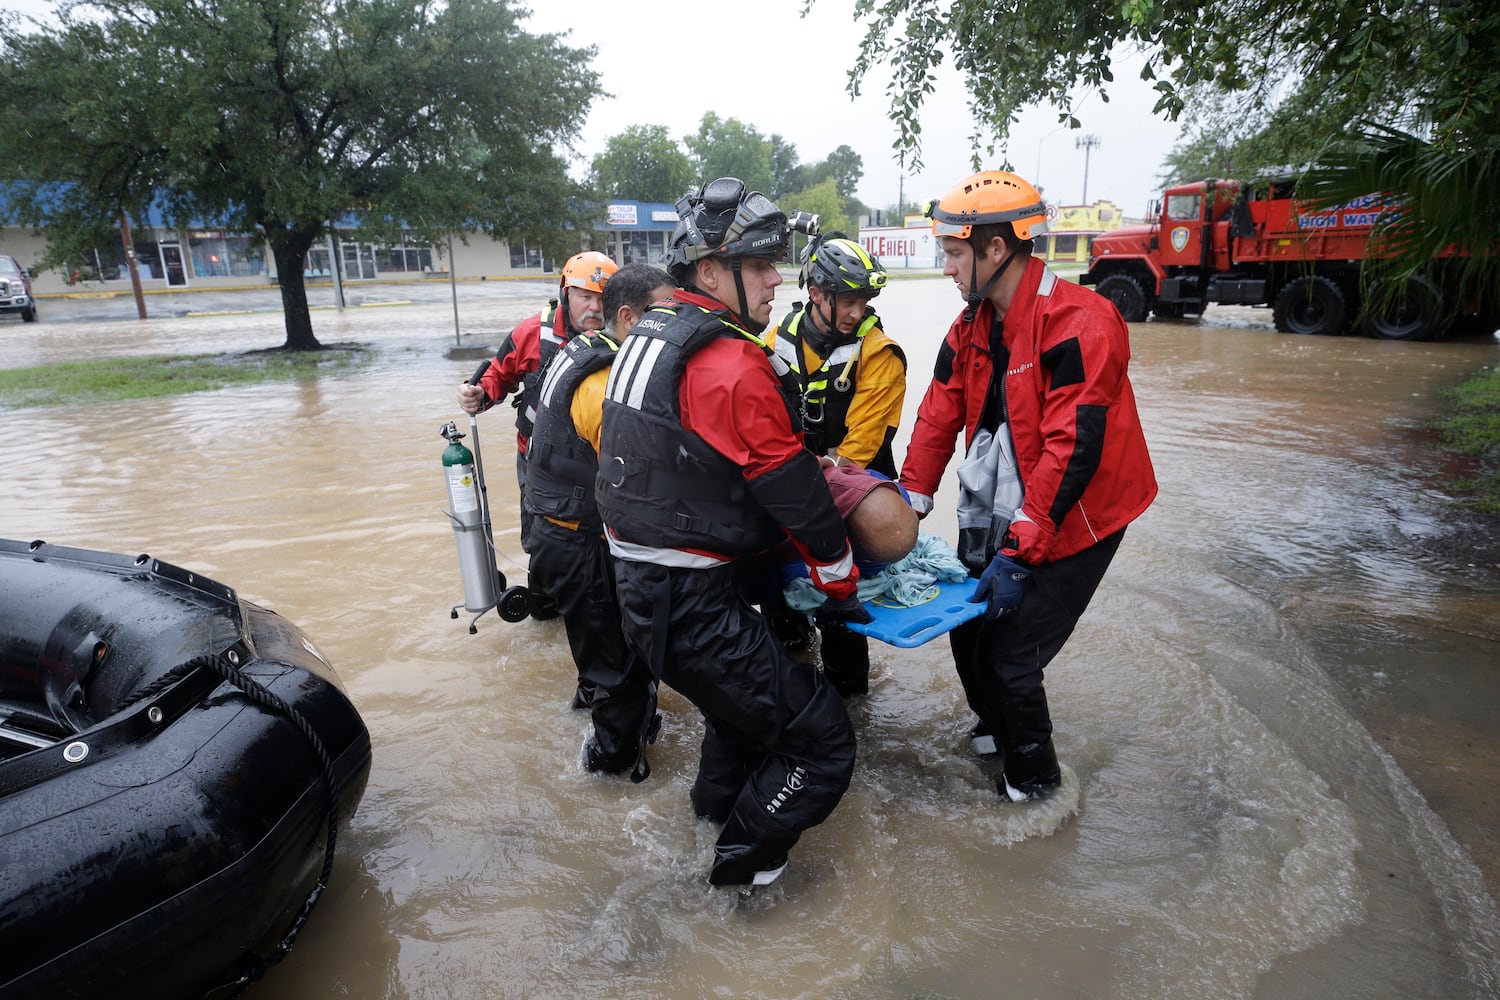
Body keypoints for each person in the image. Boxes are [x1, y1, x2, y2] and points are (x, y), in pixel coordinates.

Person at [596, 177, 867, 887]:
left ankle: (710, 823)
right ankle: (738, 878)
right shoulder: (728, 362)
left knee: (739, 719)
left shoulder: (647, 336)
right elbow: (792, 486)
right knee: (824, 742)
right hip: (693, 607)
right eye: (758, 265)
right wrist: (838, 575)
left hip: (641, 596)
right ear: (710, 272)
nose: (778, 277)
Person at [900, 170, 1158, 803]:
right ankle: (997, 733)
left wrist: (1024, 545)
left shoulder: (1083, 322)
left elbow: (1074, 446)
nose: (947, 269)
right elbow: (938, 413)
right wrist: (906, 503)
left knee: (1010, 655)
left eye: (955, 254)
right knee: (967, 626)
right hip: (1004, 505)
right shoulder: (968, 328)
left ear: (997, 248)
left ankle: (1038, 789)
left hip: (1082, 514)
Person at [524, 264, 675, 777]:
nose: (674, 323)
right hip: (576, 542)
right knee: (618, 669)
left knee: (604, 656)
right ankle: (609, 770)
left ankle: (604, 727)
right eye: (664, 313)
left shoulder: (584, 349)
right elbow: (637, 472)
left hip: (564, 532)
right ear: (628, 318)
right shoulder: (602, 381)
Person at [766, 236, 907, 695]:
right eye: (848, 300)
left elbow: (860, 448)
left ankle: (848, 697)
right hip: (789, 481)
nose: (857, 311)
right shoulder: (773, 341)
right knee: (779, 617)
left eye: (864, 300)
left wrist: (804, 473)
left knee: (841, 620)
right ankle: (791, 658)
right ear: (817, 294)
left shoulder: (879, 353)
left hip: (853, 488)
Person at [456, 250, 619, 553]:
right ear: (566, 293)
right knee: (542, 541)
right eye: (585, 296)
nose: (595, 308)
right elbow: (498, 375)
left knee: (605, 540)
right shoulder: (532, 332)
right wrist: (479, 393)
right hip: (538, 461)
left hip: (599, 463)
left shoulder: (624, 334)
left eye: (603, 298)